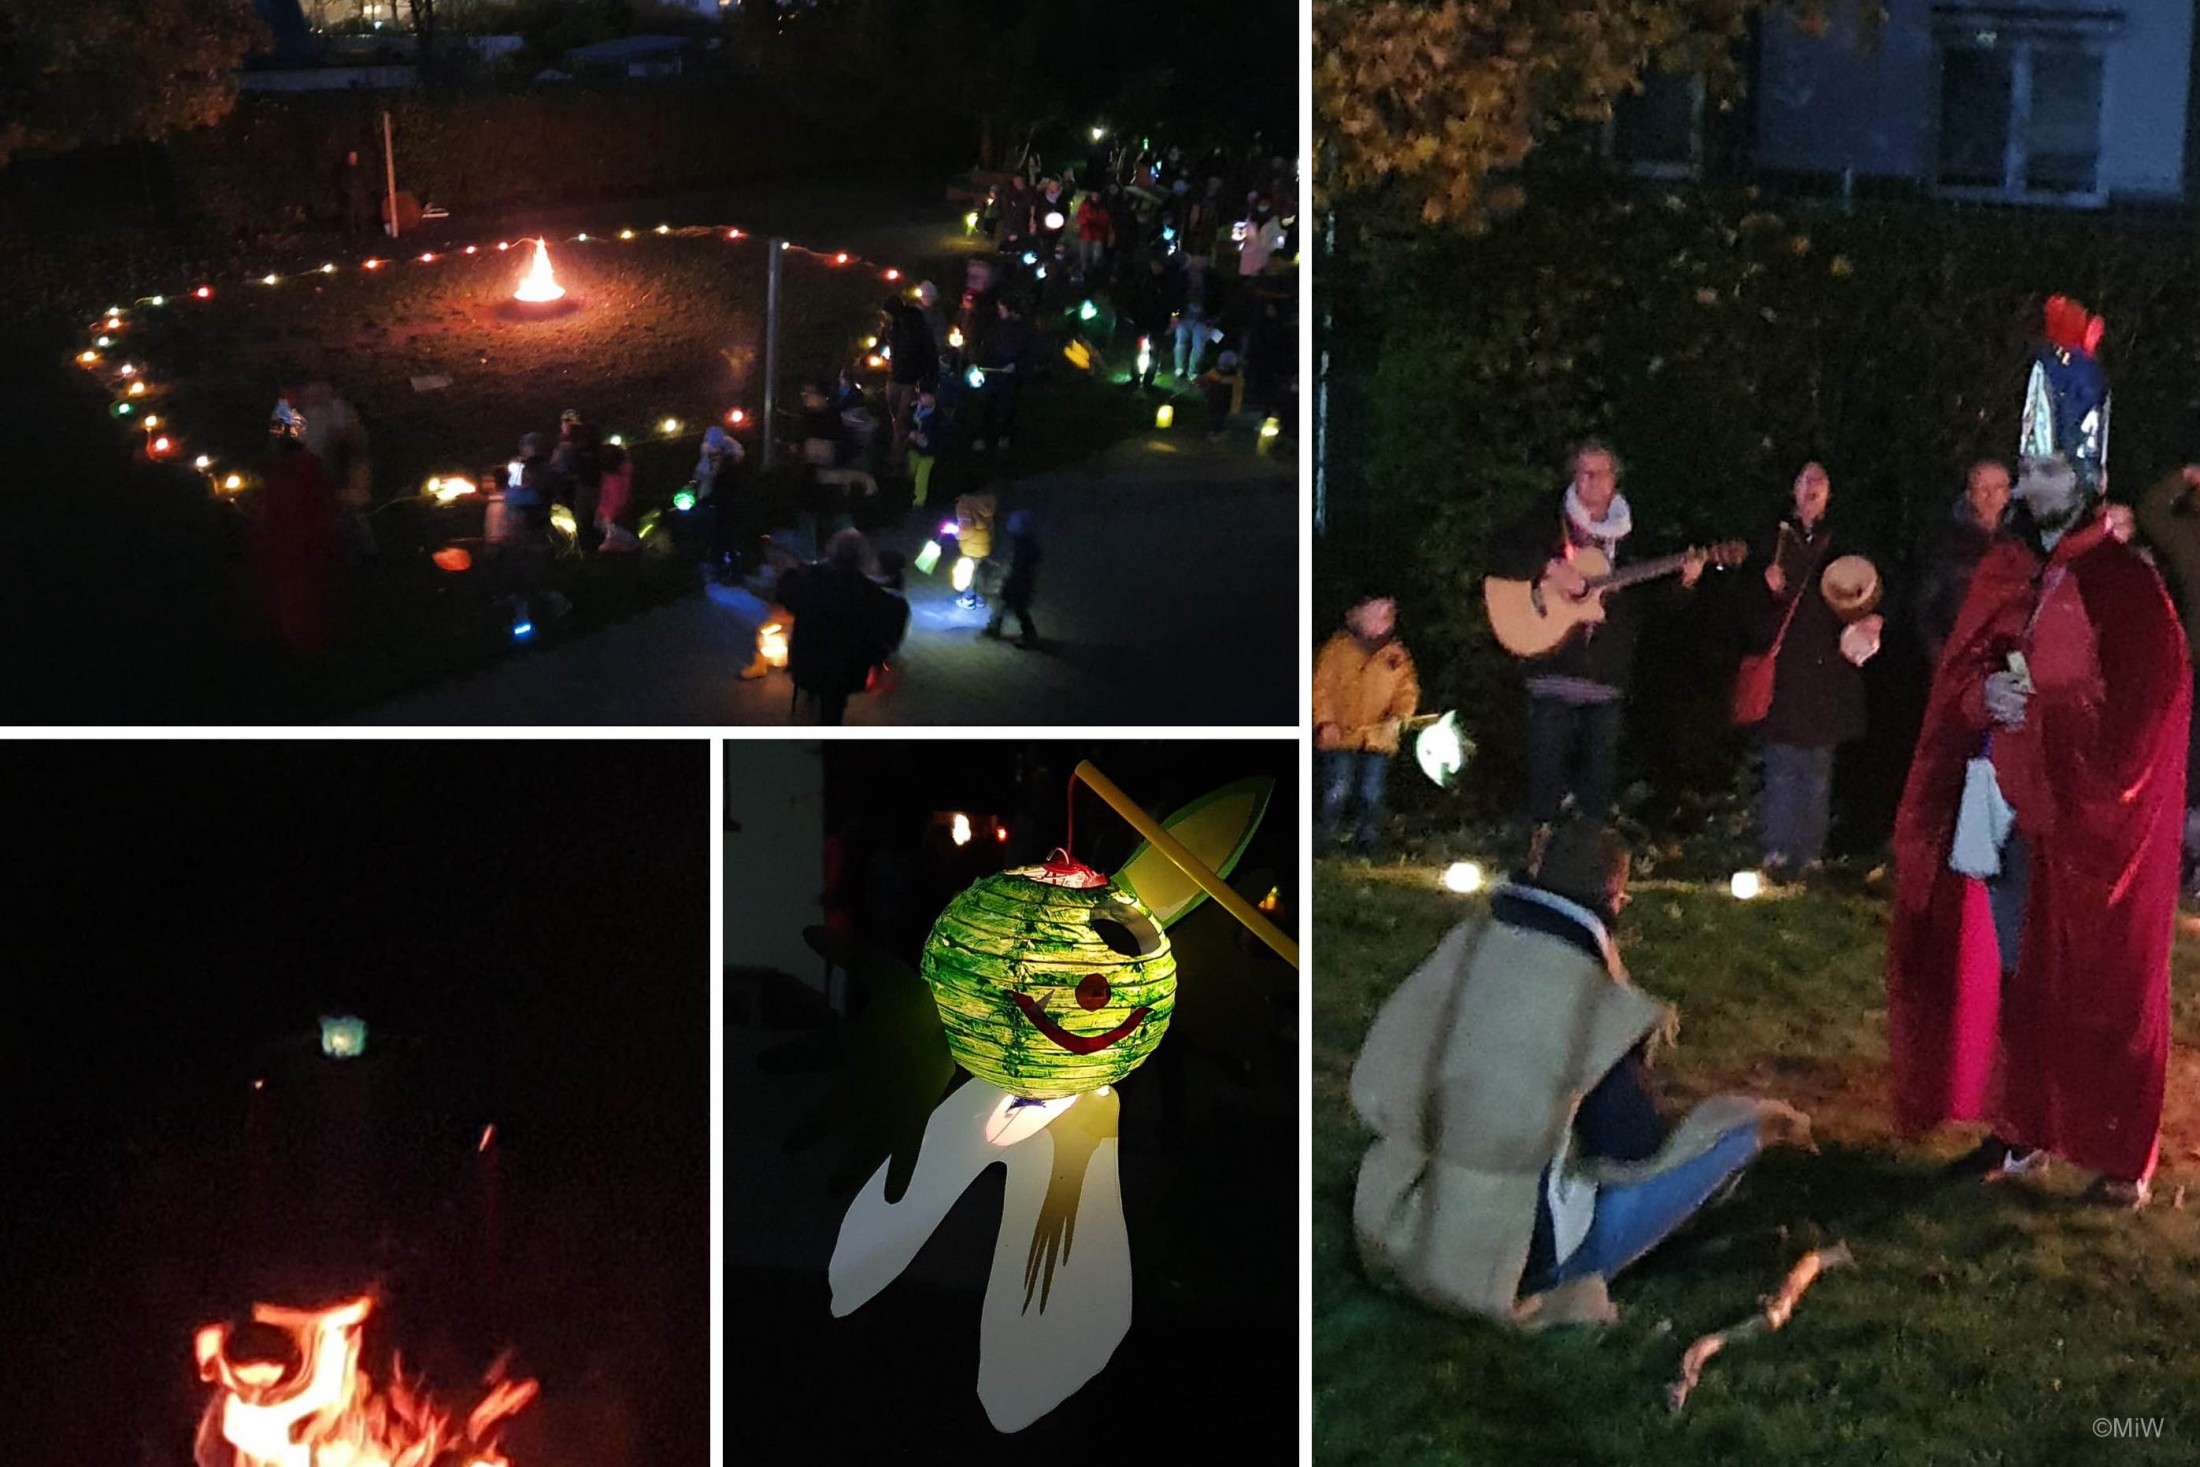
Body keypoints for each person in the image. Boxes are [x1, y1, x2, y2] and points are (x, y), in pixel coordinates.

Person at [1351, 818, 1813, 1325]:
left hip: (1396, 1221)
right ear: (1614, 897)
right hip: (1512, 1260)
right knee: (1741, 1127)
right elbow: (1631, 1146)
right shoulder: (1593, 1002)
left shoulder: (1463, 948)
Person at [1887, 455, 2189, 1208]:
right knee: (2011, 970)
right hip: (2003, 800)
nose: (2028, 487)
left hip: (2082, 826)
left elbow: (2144, 711)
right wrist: (1984, 690)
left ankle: (2119, 1149)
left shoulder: (2127, 586)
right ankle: (2020, 1125)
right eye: (2025, 471)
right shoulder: (2016, 569)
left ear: (2086, 482)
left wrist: (2051, 724)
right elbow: (1981, 662)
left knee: (2100, 981)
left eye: (2046, 471)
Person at [1488, 441, 1706, 835]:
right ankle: (1540, 846)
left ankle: (1588, 856)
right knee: (1545, 766)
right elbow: (1500, 552)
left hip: (1607, 673)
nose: (1589, 480)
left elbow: (1656, 604)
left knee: (1599, 775)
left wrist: (1685, 583)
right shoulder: (1548, 520)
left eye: (1598, 473)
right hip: (1552, 663)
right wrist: (1550, 567)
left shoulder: (1634, 537)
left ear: (1614, 482)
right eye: (1582, 472)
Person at [1741, 462, 1885, 876]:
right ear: (1794, 488)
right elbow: (1746, 615)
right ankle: (1776, 852)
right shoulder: (1772, 540)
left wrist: (1873, 617)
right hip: (1785, 672)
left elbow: (1868, 592)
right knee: (1782, 766)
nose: (1813, 488)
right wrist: (1765, 590)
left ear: (1830, 493)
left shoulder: (1843, 543)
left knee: (1818, 769)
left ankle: (1809, 857)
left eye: (1821, 481)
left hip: (1828, 674)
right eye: (1805, 479)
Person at [1312, 594, 1419, 853]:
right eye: (1379, 612)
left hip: (1379, 740)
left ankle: (1365, 842)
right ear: (1356, 615)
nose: (1386, 618)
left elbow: (1407, 692)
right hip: (1340, 736)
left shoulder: (1396, 655)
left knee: (1371, 794)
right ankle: (1320, 840)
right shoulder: (1336, 650)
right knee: (1336, 790)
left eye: (1390, 614)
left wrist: (1399, 717)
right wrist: (1324, 722)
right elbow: (1319, 689)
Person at [776, 529, 910, 726]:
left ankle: (813, 702)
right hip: (846, 671)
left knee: (819, 675)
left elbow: (784, 594)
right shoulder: (873, 595)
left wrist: (791, 570)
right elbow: (892, 627)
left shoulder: (807, 581)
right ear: (864, 558)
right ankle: (830, 734)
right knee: (834, 702)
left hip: (806, 661)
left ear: (831, 552)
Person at [250, 412, 344, 655]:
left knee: (298, 588)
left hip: (293, 535)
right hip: (304, 534)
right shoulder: (304, 463)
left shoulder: (281, 466)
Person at [1914, 460, 2013, 666]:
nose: (1990, 496)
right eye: (1983, 488)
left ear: (2008, 494)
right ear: (1969, 494)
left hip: (2007, 657)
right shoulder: (1945, 543)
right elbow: (1924, 608)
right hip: (1960, 657)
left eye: (1998, 488)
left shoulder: (2017, 544)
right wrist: (1941, 659)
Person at [881, 296, 938, 468]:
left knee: (902, 420)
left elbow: (929, 354)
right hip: (896, 377)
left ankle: (895, 461)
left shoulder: (916, 328)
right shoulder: (892, 328)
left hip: (911, 381)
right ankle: (899, 452)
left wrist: (928, 381)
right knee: (895, 418)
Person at [973, 297, 1035, 453]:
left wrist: (1016, 365)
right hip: (994, 372)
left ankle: (1004, 436)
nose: (999, 311)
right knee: (988, 404)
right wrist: (980, 361)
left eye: (1002, 308)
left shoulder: (1025, 328)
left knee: (1007, 406)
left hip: (1011, 376)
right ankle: (984, 436)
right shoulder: (997, 326)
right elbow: (988, 345)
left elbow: (1030, 352)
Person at [981, 508, 1041, 648]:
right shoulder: (1026, 544)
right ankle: (994, 627)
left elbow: (1017, 565)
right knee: (1005, 605)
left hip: (1018, 582)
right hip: (1021, 581)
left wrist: (1006, 575)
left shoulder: (1021, 545)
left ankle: (1029, 636)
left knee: (1017, 608)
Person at [696, 426, 744, 580]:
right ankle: (720, 569)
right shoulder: (709, 461)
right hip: (714, 507)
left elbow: (724, 487)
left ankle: (727, 571)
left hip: (724, 508)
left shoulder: (728, 464)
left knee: (724, 540)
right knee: (717, 540)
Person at [552, 407, 603, 553]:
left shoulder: (569, 448)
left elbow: (559, 468)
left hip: (576, 491)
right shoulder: (578, 447)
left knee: (583, 526)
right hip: (581, 490)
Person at [595, 442, 638, 552]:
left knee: (604, 526)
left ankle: (627, 544)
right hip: (618, 512)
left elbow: (615, 498)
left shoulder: (613, 479)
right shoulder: (627, 469)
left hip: (615, 515)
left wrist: (607, 514)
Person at [1195, 351, 1243, 439]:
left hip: (1223, 403)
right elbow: (1203, 380)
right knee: (1214, 416)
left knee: (1219, 418)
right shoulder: (1216, 373)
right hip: (1213, 400)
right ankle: (1214, 431)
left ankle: (1217, 432)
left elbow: (1237, 395)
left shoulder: (1234, 379)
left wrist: (1234, 409)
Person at [337, 150, 374, 235]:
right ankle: (350, 231)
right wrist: (349, 192)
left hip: (361, 193)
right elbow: (343, 183)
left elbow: (366, 180)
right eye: (351, 157)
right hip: (351, 195)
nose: (353, 159)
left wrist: (366, 191)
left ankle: (363, 230)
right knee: (350, 214)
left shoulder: (361, 169)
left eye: (354, 157)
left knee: (362, 213)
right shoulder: (345, 170)